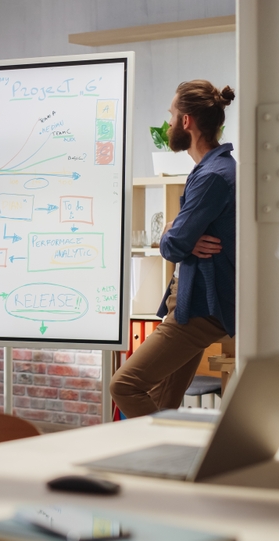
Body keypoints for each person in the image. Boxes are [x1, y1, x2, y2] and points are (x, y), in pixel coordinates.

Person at [110, 80, 237, 418]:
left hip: (197, 310)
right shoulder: (216, 169)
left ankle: (166, 458)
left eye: (171, 116)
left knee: (124, 385)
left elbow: (174, 244)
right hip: (195, 304)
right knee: (163, 403)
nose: (167, 125)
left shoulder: (212, 175)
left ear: (186, 122)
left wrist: (171, 231)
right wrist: (178, 234)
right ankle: (162, 463)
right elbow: (183, 239)